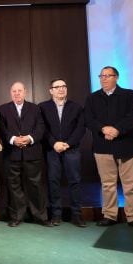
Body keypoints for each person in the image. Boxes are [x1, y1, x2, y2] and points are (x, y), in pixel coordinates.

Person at [84, 66, 133, 231]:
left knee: (130, 184)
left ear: (116, 78)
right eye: (101, 76)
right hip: (102, 146)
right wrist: (104, 129)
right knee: (107, 184)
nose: (104, 79)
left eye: (108, 75)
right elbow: (89, 119)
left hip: (127, 146)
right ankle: (110, 215)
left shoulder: (130, 95)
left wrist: (117, 130)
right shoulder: (92, 98)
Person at [0, 82, 52, 227]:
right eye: (14, 91)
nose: (17, 93)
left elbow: (41, 127)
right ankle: (17, 216)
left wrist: (29, 139)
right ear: (11, 93)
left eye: (19, 90)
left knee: (36, 185)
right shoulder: (3, 109)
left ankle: (40, 216)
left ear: (25, 92)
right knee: (14, 187)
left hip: (32, 153)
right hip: (12, 153)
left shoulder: (35, 108)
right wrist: (13, 139)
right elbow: (2, 129)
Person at [39, 78, 86, 227]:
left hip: (71, 149)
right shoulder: (43, 107)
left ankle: (77, 215)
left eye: (64, 86)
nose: (61, 89)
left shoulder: (76, 107)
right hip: (52, 149)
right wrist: (54, 143)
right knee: (53, 181)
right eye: (57, 87)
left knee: (75, 181)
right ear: (51, 90)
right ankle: (56, 214)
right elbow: (43, 129)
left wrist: (68, 143)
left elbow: (80, 128)